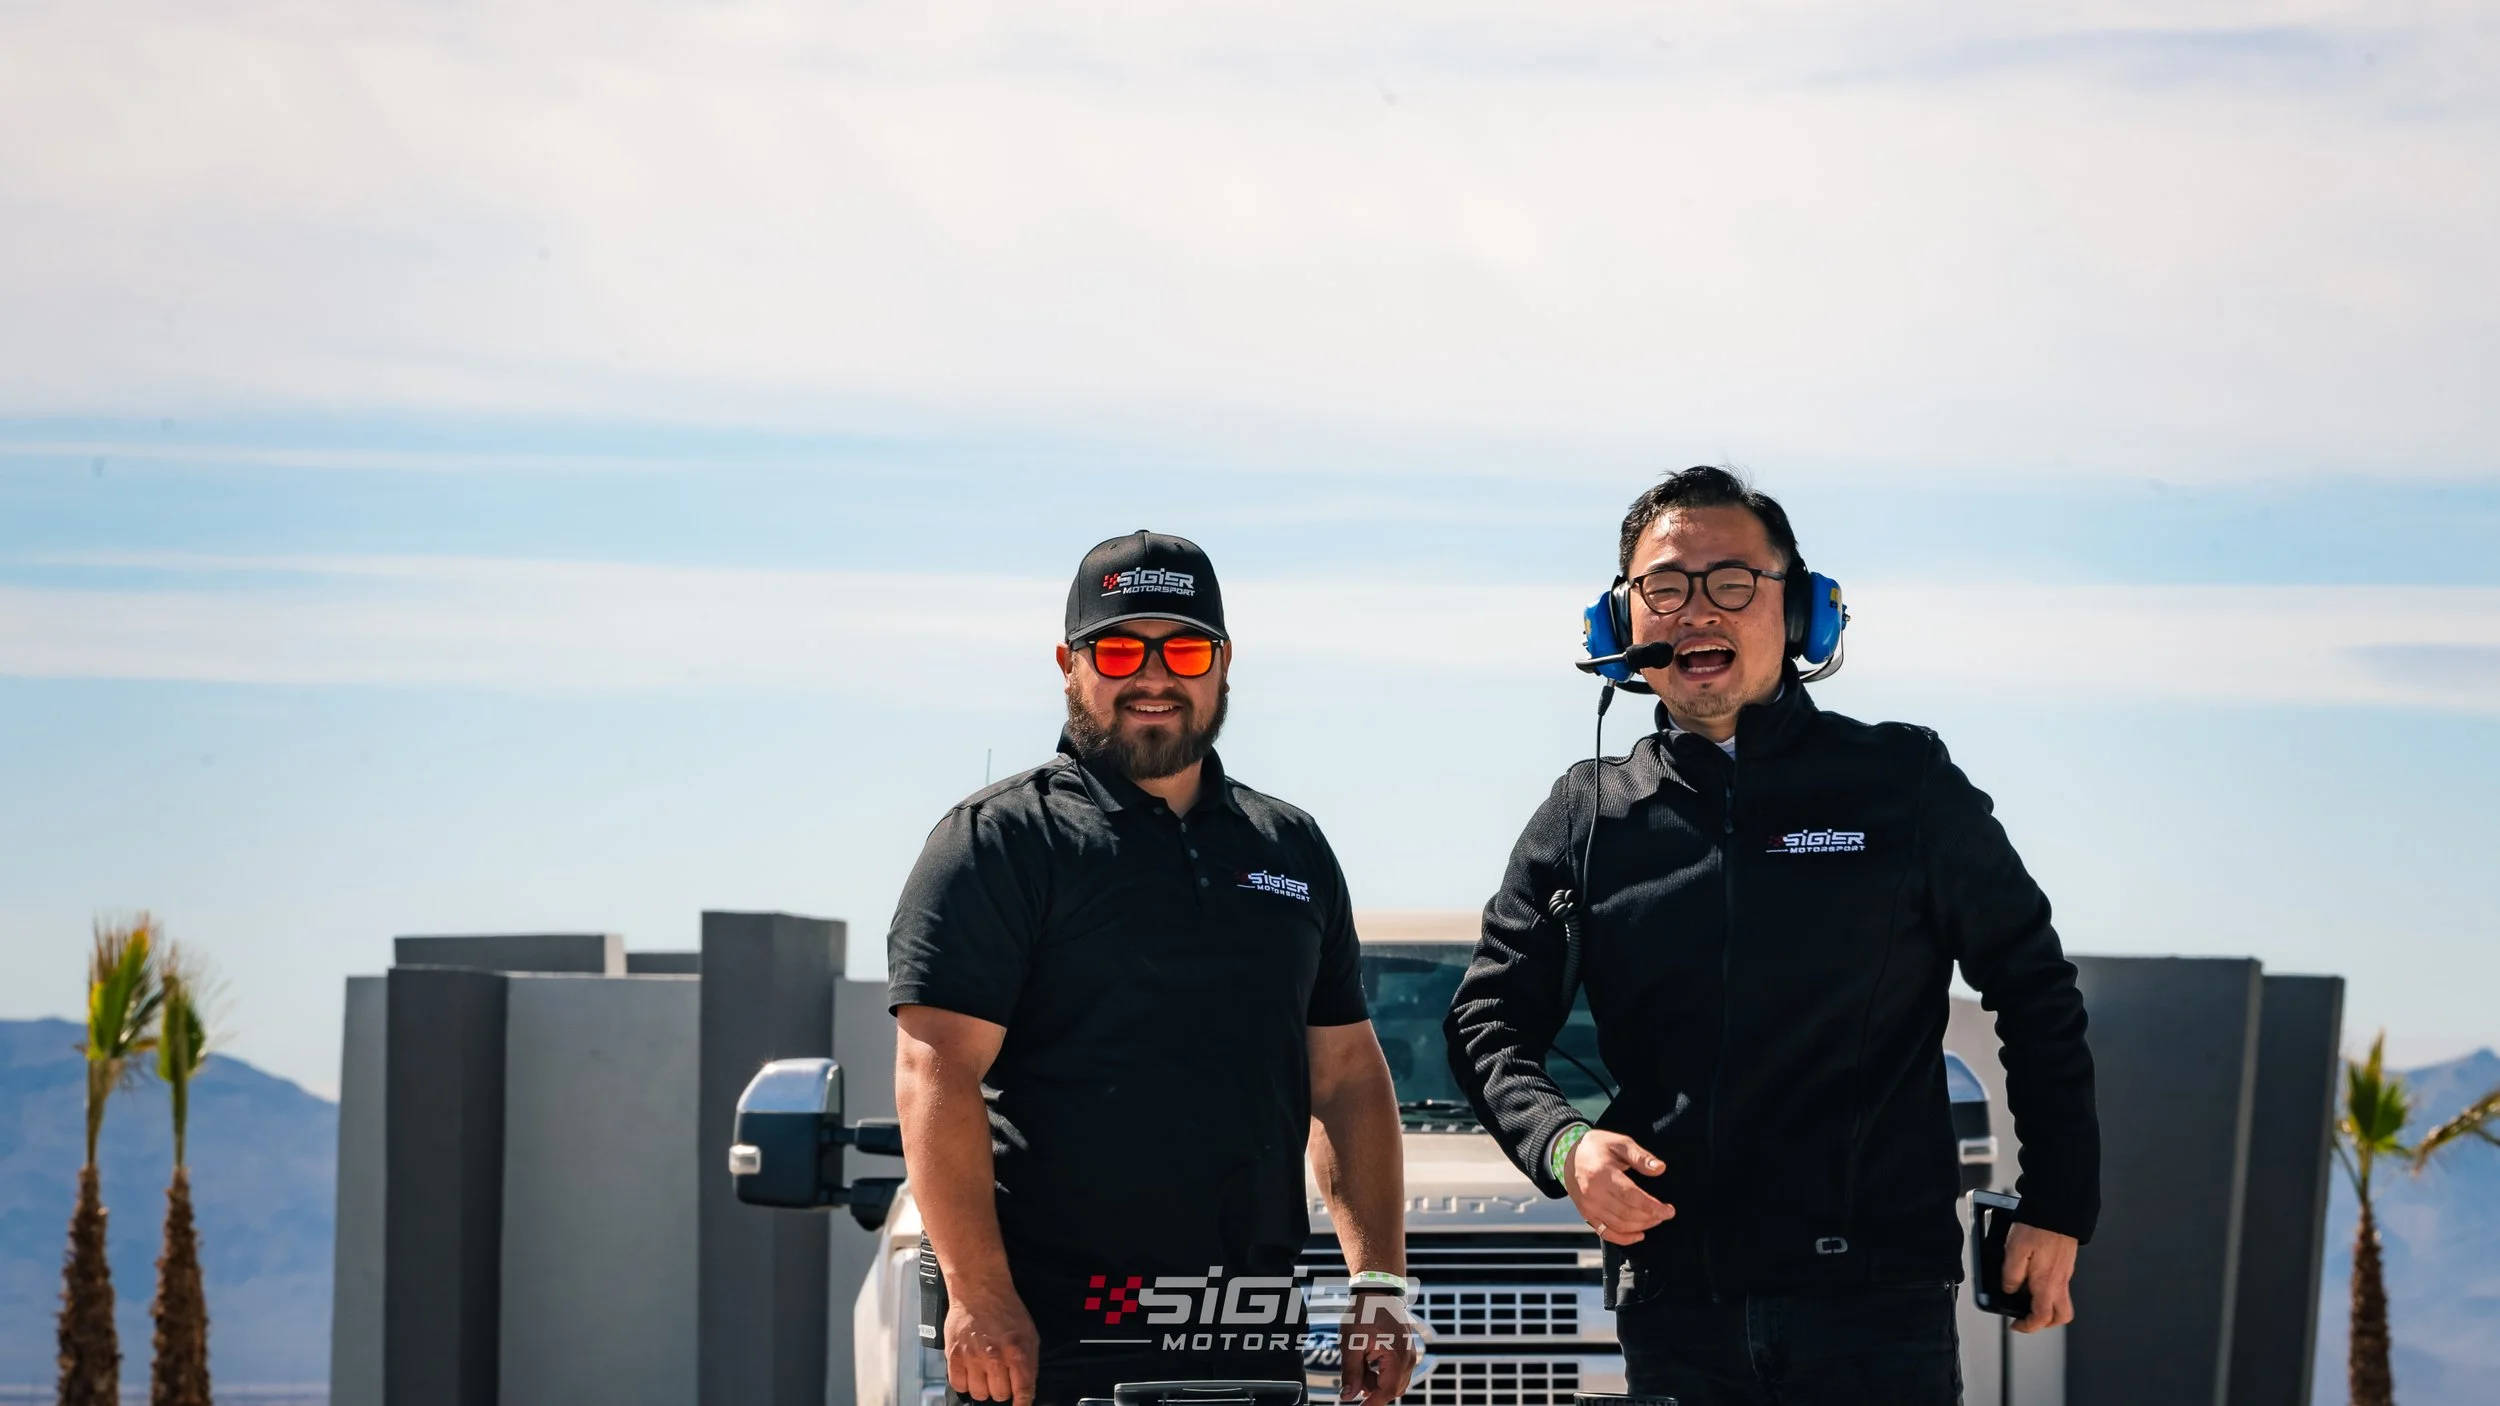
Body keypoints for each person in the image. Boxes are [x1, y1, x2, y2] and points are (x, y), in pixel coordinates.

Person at [1444, 468, 2100, 1406]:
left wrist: (2058, 1203)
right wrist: (1563, 1145)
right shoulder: (1587, 814)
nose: (1697, 610)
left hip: (1877, 1307)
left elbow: (2035, 990)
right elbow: (1488, 1021)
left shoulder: (1903, 780)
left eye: (1732, 581)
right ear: (1620, 620)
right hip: (1675, 1305)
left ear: (1800, 612)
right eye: (1665, 586)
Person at [889, 530, 1420, 1406]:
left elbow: (1348, 1078)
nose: (1153, 675)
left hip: (1248, 1337)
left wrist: (1381, 1286)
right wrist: (979, 1293)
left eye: (1184, 650)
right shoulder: (999, 841)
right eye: (1119, 650)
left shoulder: (1289, 846)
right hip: (1049, 1343)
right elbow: (933, 1070)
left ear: (1223, 664)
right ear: (1068, 665)